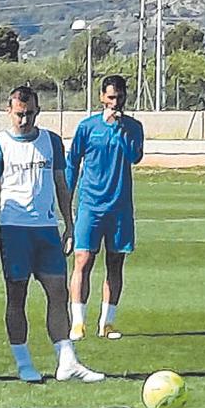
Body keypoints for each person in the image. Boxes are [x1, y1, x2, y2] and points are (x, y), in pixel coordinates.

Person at [0, 86, 104, 383]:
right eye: (20, 114)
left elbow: (61, 185)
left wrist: (69, 225)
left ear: (38, 112)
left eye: (30, 114)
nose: (24, 120)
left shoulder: (51, 142)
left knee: (58, 293)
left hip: (46, 231)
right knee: (16, 297)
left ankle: (67, 361)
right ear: (9, 112)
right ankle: (24, 362)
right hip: (14, 231)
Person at [67, 75, 145, 341]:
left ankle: (107, 323)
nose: (115, 102)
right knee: (83, 260)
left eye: (120, 97)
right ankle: (78, 322)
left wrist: (121, 130)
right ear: (101, 97)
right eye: (111, 97)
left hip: (120, 207)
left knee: (115, 263)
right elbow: (72, 162)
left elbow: (135, 156)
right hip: (91, 204)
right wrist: (66, 198)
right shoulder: (87, 127)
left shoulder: (133, 127)